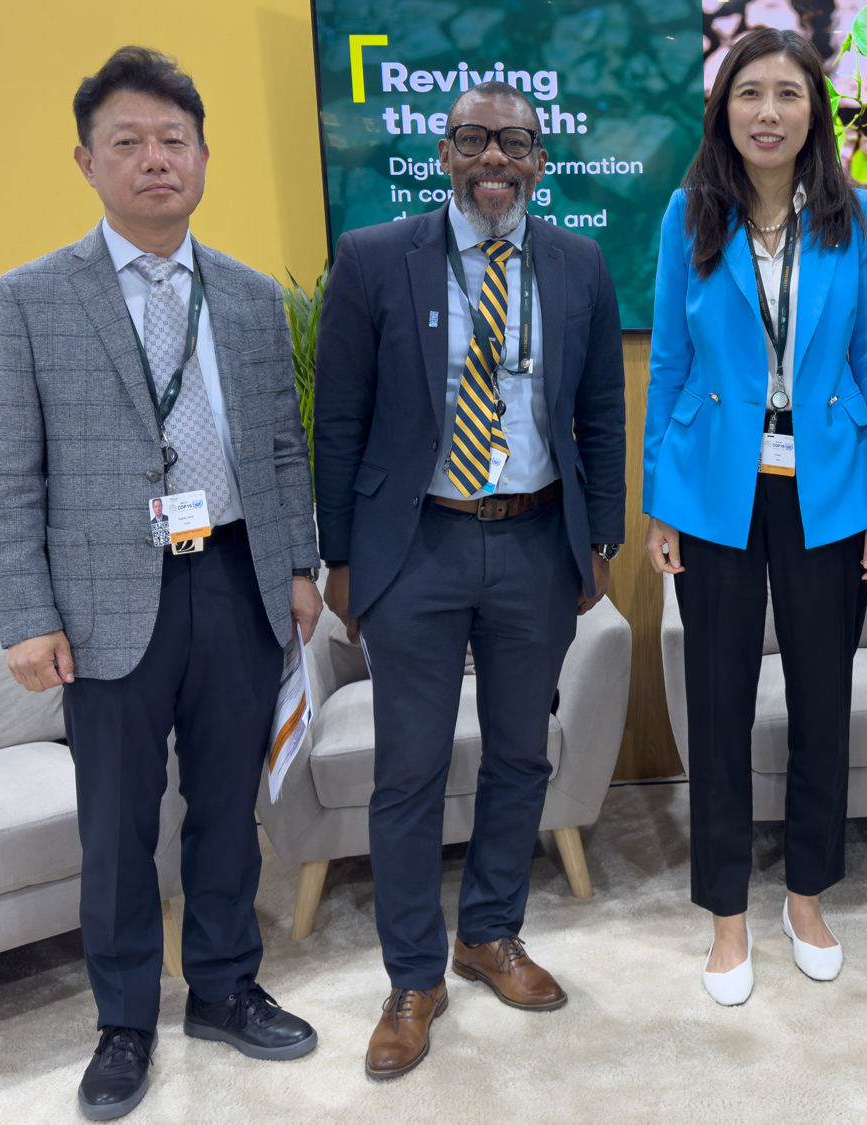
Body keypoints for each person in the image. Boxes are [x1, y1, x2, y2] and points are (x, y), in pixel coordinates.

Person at [0, 47, 324, 1121]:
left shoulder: (254, 297)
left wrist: (299, 564)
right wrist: (25, 618)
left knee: (227, 804)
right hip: (102, 603)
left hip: (233, 579)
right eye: (127, 142)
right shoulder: (30, 299)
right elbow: (5, 469)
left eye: (173, 140)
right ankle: (123, 1021)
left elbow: (276, 447)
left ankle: (222, 986)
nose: (154, 159)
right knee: (116, 823)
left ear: (204, 157)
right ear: (87, 161)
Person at [314, 80, 626, 1077]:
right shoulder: (373, 259)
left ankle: (487, 932)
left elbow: (602, 409)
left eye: (515, 143)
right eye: (474, 140)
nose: (495, 159)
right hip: (415, 549)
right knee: (407, 768)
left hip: (536, 542)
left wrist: (599, 541)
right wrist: (340, 556)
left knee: (520, 757)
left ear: (540, 160)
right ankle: (413, 975)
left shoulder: (576, 263)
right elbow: (339, 417)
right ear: (443, 152)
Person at [644, 27, 867, 1006]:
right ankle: (724, 915)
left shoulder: (854, 214)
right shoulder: (687, 216)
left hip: (829, 487)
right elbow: (669, 362)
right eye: (747, 92)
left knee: (820, 704)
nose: (766, 111)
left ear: (812, 113)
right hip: (714, 486)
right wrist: (659, 502)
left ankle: (804, 896)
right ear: (724, 111)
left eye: (786, 93)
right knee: (716, 707)